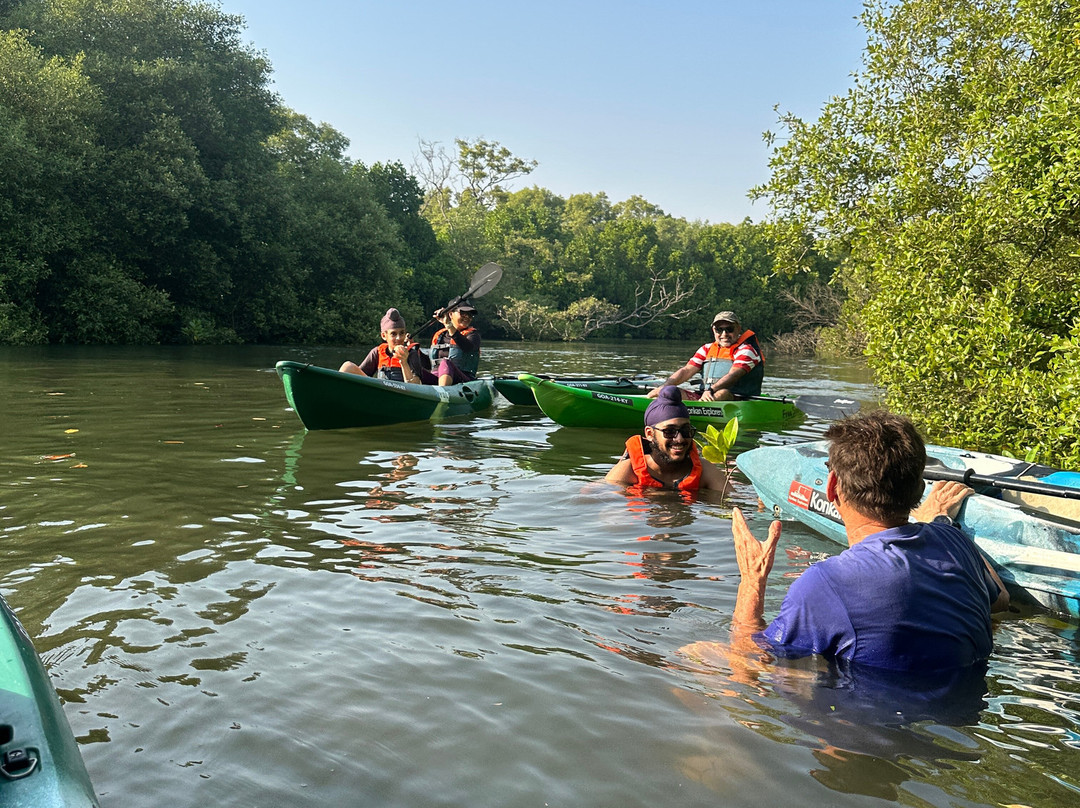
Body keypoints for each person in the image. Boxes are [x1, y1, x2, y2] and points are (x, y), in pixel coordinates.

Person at [730, 410, 1009, 671]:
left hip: (865, 707)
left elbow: (750, 657)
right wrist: (939, 526)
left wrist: (752, 581)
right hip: (967, 700)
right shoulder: (954, 540)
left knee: (709, 654)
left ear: (831, 486)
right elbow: (1000, 601)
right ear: (919, 489)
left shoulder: (826, 583)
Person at [605, 385, 729, 492]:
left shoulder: (705, 471)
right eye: (669, 431)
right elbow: (606, 504)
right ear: (650, 434)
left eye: (685, 430)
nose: (679, 439)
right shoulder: (628, 470)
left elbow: (731, 503)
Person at [648, 310, 763, 401]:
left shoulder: (747, 350)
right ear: (713, 330)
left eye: (729, 329)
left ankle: (701, 408)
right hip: (706, 395)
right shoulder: (706, 349)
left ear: (738, 329)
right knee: (669, 391)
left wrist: (710, 390)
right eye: (719, 330)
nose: (724, 334)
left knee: (723, 393)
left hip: (738, 398)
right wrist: (664, 386)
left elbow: (733, 375)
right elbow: (686, 370)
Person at [339, 308, 435, 384]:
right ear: (384, 336)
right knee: (347, 366)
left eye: (402, 333)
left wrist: (403, 362)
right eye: (393, 334)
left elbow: (416, 385)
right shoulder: (377, 352)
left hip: (402, 394)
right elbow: (360, 376)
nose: (399, 338)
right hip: (380, 392)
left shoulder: (412, 354)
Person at [430, 299, 481, 386]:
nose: (467, 317)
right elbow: (429, 362)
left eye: (470, 315)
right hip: (436, 377)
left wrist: (448, 325)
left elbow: (468, 348)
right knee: (414, 360)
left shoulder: (473, 335)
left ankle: (443, 391)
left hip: (463, 379)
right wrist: (412, 350)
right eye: (463, 313)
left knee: (446, 363)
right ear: (450, 314)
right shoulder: (440, 335)